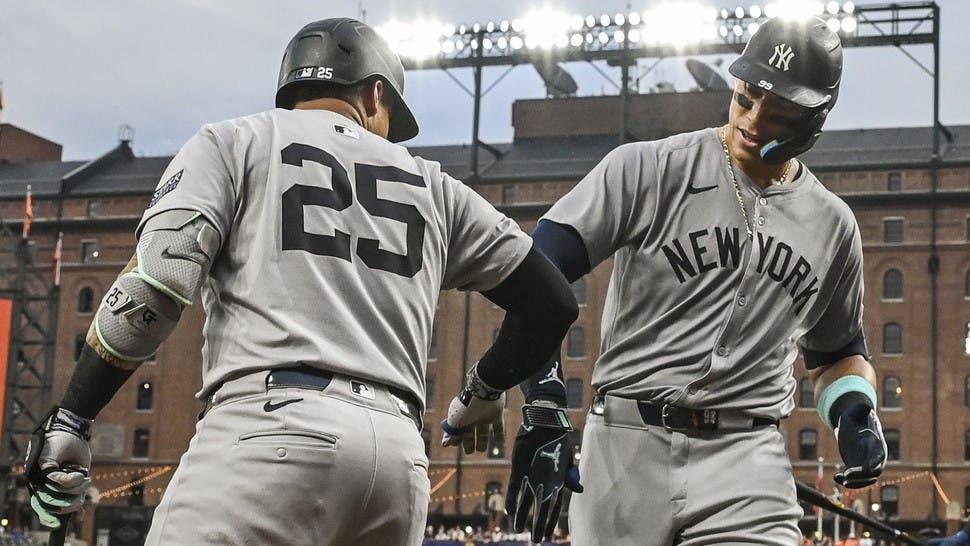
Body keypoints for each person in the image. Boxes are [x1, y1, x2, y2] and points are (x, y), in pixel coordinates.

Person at [23, 18, 577, 546]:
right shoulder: (434, 185)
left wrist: (74, 414)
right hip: (398, 463)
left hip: (272, 433)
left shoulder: (235, 141)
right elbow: (551, 302)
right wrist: (480, 393)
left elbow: (159, 281)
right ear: (376, 95)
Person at [449, 16, 888, 544]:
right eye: (746, 98)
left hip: (747, 457)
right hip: (627, 443)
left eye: (778, 114)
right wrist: (542, 399)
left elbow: (836, 349)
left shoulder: (832, 224)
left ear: (814, 120)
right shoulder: (650, 169)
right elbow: (536, 272)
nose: (752, 120)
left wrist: (856, 413)